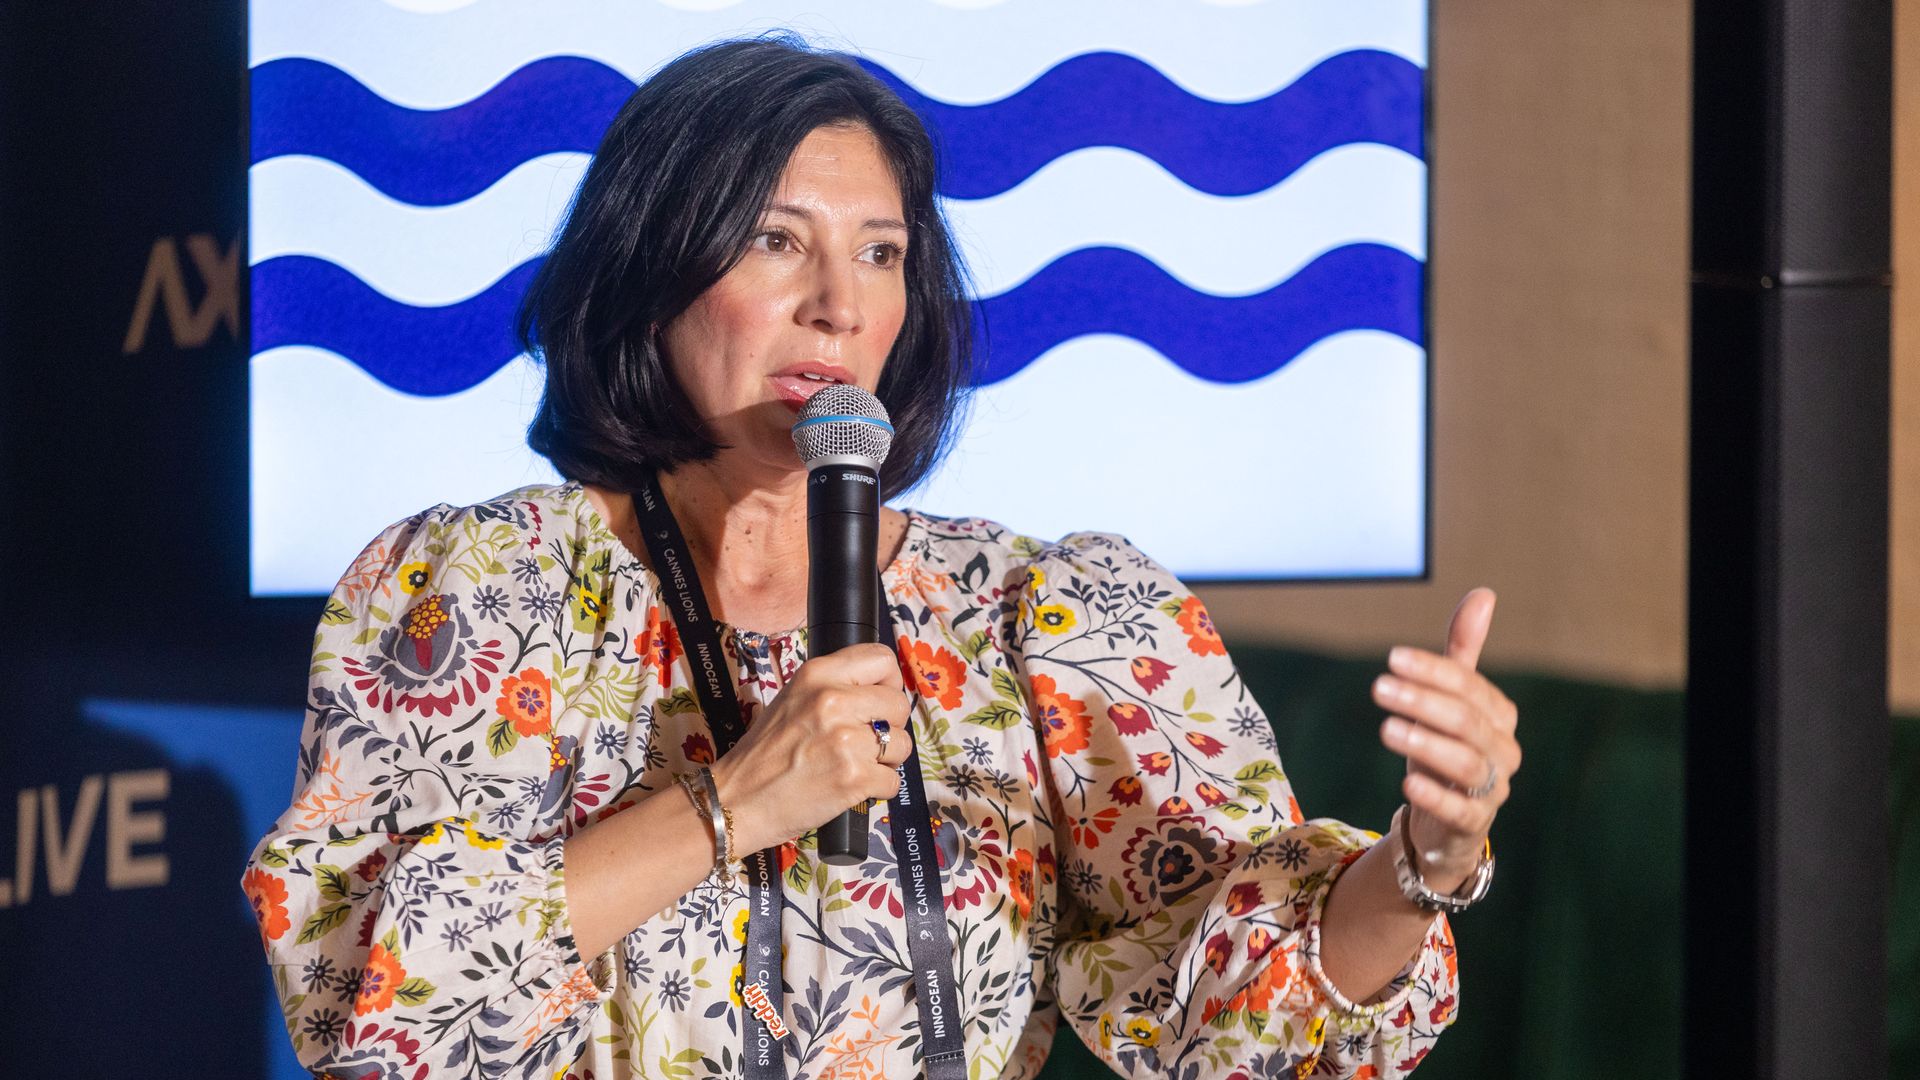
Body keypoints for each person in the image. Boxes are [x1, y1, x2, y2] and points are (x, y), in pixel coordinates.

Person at [242, 33, 1523, 1080]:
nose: (839, 306)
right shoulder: (485, 598)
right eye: (776, 239)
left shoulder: (1036, 619)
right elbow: (381, 1014)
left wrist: (1424, 862)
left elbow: (1245, 1016)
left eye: (882, 254)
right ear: (652, 267)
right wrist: (732, 804)